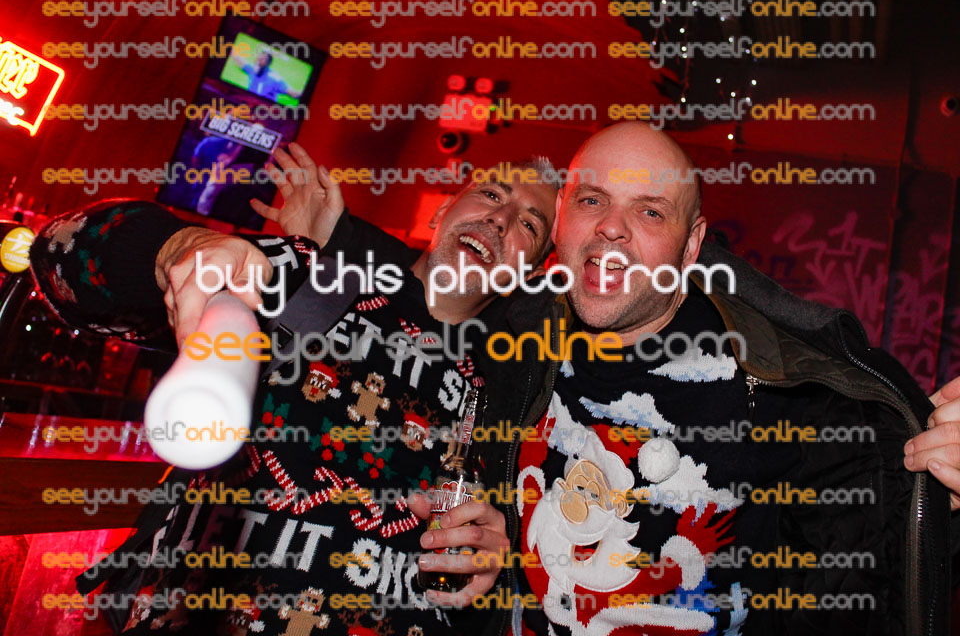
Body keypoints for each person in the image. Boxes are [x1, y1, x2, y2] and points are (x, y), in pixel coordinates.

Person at [246, 131, 960, 635]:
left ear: (691, 243)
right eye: (591, 200)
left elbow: (878, 560)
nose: (612, 228)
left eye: (649, 210)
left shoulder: (784, 391)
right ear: (562, 231)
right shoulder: (516, 347)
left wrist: (943, 495)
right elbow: (436, 291)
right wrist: (309, 245)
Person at [31, 148, 559, 635]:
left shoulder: (508, 397)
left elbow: (487, 589)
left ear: (530, 274)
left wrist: (489, 561)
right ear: (441, 210)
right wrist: (177, 248)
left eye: (529, 225)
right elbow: (60, 252)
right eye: (491, 193)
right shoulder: (312, 280)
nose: (500, 218)